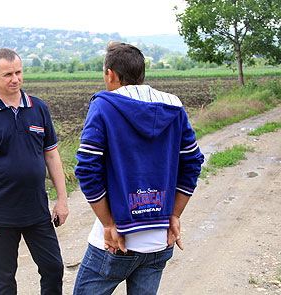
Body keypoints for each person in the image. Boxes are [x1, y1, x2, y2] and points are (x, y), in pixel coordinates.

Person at [73, 42, 204, 295]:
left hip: (116, 241)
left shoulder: (104, 106)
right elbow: (192, 162)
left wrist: (108, 223)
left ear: (110, 74)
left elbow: (87, 169)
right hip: (159, 241)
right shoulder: (174, 106)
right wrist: (174, 215)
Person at [0, 48, 69, 295]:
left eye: (18, 72)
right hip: (0, 214)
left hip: (36, 209)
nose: (15, 79)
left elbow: (52, 155)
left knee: (53, 269)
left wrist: (62, 200)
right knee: (4, 280)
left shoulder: (39, 108)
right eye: (8, 74)